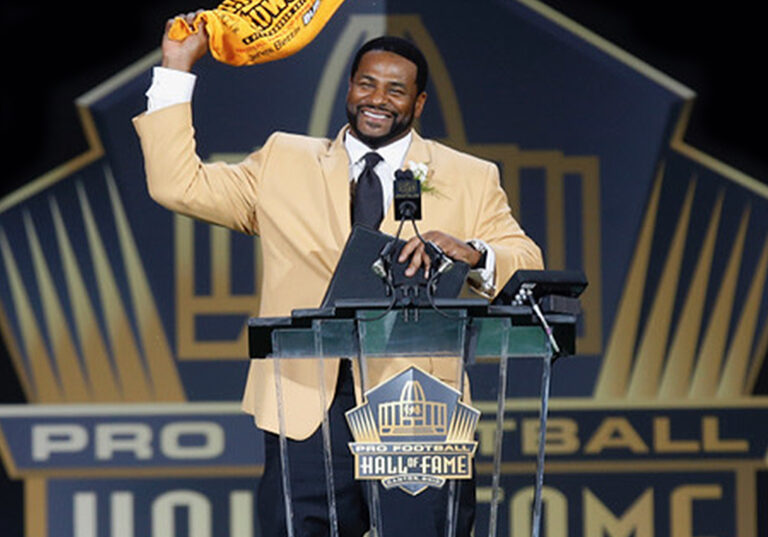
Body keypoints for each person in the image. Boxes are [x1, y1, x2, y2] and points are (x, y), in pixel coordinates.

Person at [133, 11, 543, 537]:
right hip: (303, 404)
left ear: (418, 104)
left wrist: (474, 251)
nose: (378, 99)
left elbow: (524, 257)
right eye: (367, 84)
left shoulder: (468, 176)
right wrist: (175, 65)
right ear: (349, 88)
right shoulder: (284, 159)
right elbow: (176, 185)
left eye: (396, 90)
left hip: (416, 408)